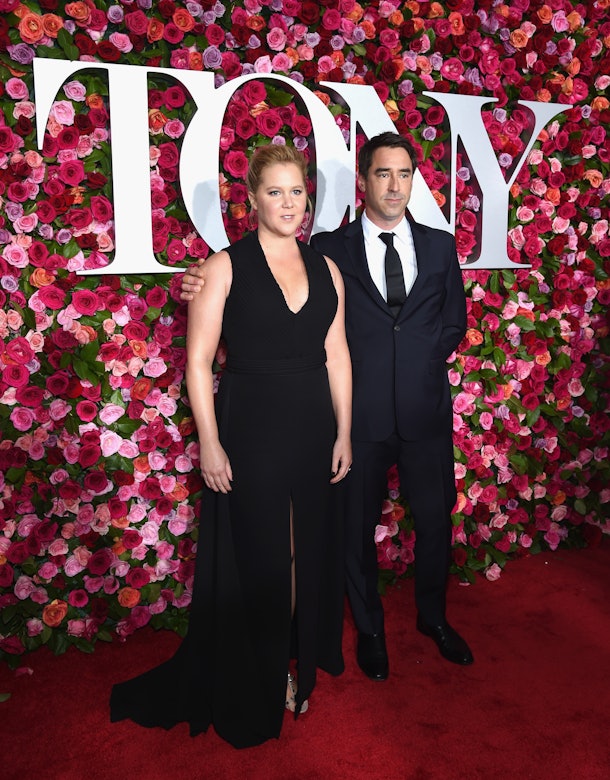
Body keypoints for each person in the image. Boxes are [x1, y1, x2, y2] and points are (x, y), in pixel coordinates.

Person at [181, 131, 473, 684]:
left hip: (420, 411)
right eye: (383, 173)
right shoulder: (331, 249)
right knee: (352, 533)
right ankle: (369, 632)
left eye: (404, 174)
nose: (394, 185)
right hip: (354, 419)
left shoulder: (440, 245)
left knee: (436, 523)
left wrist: (417, 360)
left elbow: (453, 320)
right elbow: (257, 285)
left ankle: (434, 618)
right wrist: (196, 278)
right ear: (362, 182)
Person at [111, 144, 352, 749]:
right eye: (275, 192)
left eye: (296, 191)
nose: (288, 203)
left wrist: (345, 430)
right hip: (251, 428)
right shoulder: (223, 267)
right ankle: (258, 676)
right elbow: (197, 362)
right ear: (251, 201)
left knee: (299, 554)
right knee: (262, 556)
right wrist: (210, 444)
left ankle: (285, 663)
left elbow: (337, 354)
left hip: (313, 427)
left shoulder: (327, 269)